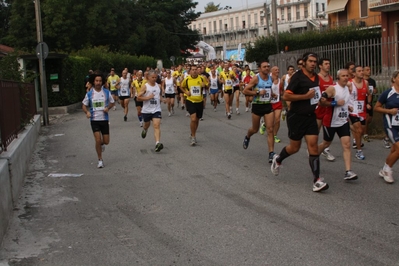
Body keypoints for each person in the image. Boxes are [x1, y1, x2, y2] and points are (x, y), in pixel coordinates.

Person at [271, 52, 329, 192]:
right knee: (294, 147)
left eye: (315, 61)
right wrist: (305, 96)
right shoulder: (297, 77)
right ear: (304, 62)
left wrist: (320, 100)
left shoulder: (316, 78)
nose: (313, 64)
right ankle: (278, 159)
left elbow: (314, 95)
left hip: (310, 116)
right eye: (310, 61)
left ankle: (317, 180)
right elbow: (286, 95)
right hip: (296, 117)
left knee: (313, 146)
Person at [318, 69, 358, 180]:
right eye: (343, 76)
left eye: (347, 76)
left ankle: (348, 171)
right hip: (330, 122)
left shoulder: (347, 88)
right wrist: (335, 103)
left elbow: (345, 102)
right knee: (326, 144)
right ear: (338, 78)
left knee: (346, 145)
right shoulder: (333, 88)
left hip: (343, 121)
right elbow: (321, 101)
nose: (346, 78)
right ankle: (314, 155)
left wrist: (347, 107)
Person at [243, 61, 276, 163]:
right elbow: (245, 90)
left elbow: (269, 89)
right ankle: (247, 136)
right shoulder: (256, 78)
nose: (267, 68)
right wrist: (257, 92)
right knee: (255, 129)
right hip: (257, 106)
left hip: (267, 106)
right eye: (264, 67)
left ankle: (271, 153)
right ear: (260, 68)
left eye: (268, 66)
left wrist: (272, 94)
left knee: (270, 129)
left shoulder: (271, 78)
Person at [82, 72, 115, 168]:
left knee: (106, 141)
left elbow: (112, 103)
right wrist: (87, 112)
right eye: (96, 81)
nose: (98, 83)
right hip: (94, 120)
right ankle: (100, 160)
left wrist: (107, 108)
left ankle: (101, 144)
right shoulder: (89, 94)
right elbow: (84, 105)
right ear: (93, 81)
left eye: (100, 81)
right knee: (97, 139)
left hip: (104, 119)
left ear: (102, 82)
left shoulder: (106, 92)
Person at [374, 70, 399, 184]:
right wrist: (389, 110)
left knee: (395, 149)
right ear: (394, 79)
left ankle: (385, 168)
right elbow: (376, 108)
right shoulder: (388, 93)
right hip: (390, 125)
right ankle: (388, 170)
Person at [137, 70, 165, 152]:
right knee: (147, 125)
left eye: (155, 77)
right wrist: (148, 98)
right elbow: (138, 97)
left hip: (156, 109)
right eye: (152, 77)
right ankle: (145, 130)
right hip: (146, 110)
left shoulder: (158, 86)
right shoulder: (145, 86)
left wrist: (163, 99)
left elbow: (158, 96)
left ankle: (157, 143)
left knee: (156, 125)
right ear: (148, 77)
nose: (154, 79)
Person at [180, 65, 206, 146]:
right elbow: (181, 86)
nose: (194, 71)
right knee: (193, 118)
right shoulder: (187, 79)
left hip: (199, 101)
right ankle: (193, 137)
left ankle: (192, 133)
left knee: (197, 120)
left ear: (198, 71)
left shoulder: (201, 78)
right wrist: (186, 92)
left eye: (196, 70)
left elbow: (207, 86)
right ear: (190, 71)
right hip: (190, 101)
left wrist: (204, 85)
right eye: (193, 70)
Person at [317, 58, 336, 161]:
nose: (328, 65)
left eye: (329, 63)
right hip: (319, 108)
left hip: (328, 108)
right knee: (316, 131)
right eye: (326, 64)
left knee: (328, 132)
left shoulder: (331, 78)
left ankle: (326, 149)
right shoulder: (317, 78)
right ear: (320, 66)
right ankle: (313, 149)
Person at [348, 65, 368, 160]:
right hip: (353, 110)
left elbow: (368, 94)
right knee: (359, 130)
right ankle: (359, 151)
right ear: (354, 73)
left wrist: (368, 103)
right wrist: (348, 106)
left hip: (362, 110)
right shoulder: (350, 84)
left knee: (362, 131)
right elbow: (344, 95)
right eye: (359, 71)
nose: (362, 72)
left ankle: (350, 127)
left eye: (362, 71)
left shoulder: (366, 83)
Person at [363, 66, 377, 143]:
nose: (369, 71)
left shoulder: (372, 81)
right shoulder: (361, 81)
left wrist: (375, 90)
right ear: (363, 71)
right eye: (367, 70)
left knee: (369, 119)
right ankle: (365, 135)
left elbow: (375, 90)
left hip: (370, 101)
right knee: (366, 118)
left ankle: (362, 132)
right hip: (363, 102)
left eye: (370, 69)